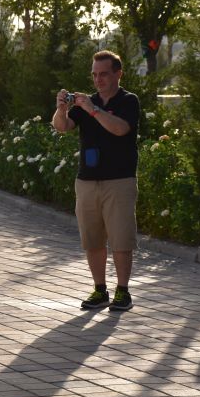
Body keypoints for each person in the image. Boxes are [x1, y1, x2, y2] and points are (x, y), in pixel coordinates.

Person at [52, 50, 140, 312]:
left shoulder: (128, 101)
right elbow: (62, 127)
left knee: (121, 238)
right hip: (87, 181)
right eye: (94, 74)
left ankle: (122, 291)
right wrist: (61, 109)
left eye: (103, 74)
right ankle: (99, 290)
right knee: (92, 239)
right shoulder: (86, 102)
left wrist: (93, 110)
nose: (98, 79)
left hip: (119, 180)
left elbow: (120, 128)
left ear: (118, 74)